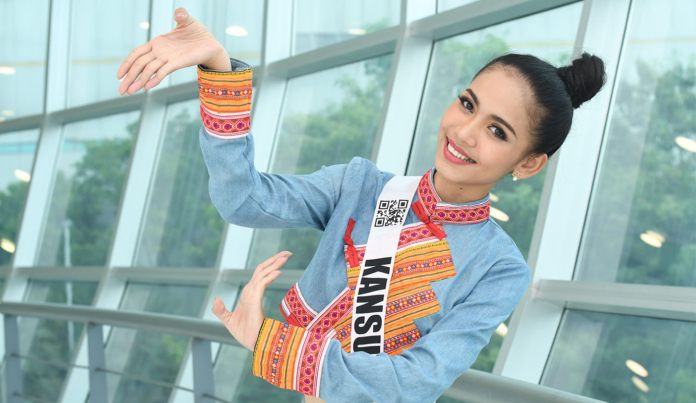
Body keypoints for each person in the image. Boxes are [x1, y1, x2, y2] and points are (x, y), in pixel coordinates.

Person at [117, 8, 606, 403]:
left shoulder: (499, 268)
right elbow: (242, 199)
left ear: (528, 164)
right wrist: (220, 71)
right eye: (467, 103)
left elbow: (413, 383)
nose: (464, 132)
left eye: (498, 131)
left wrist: (272, 341)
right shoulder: (360, 186)